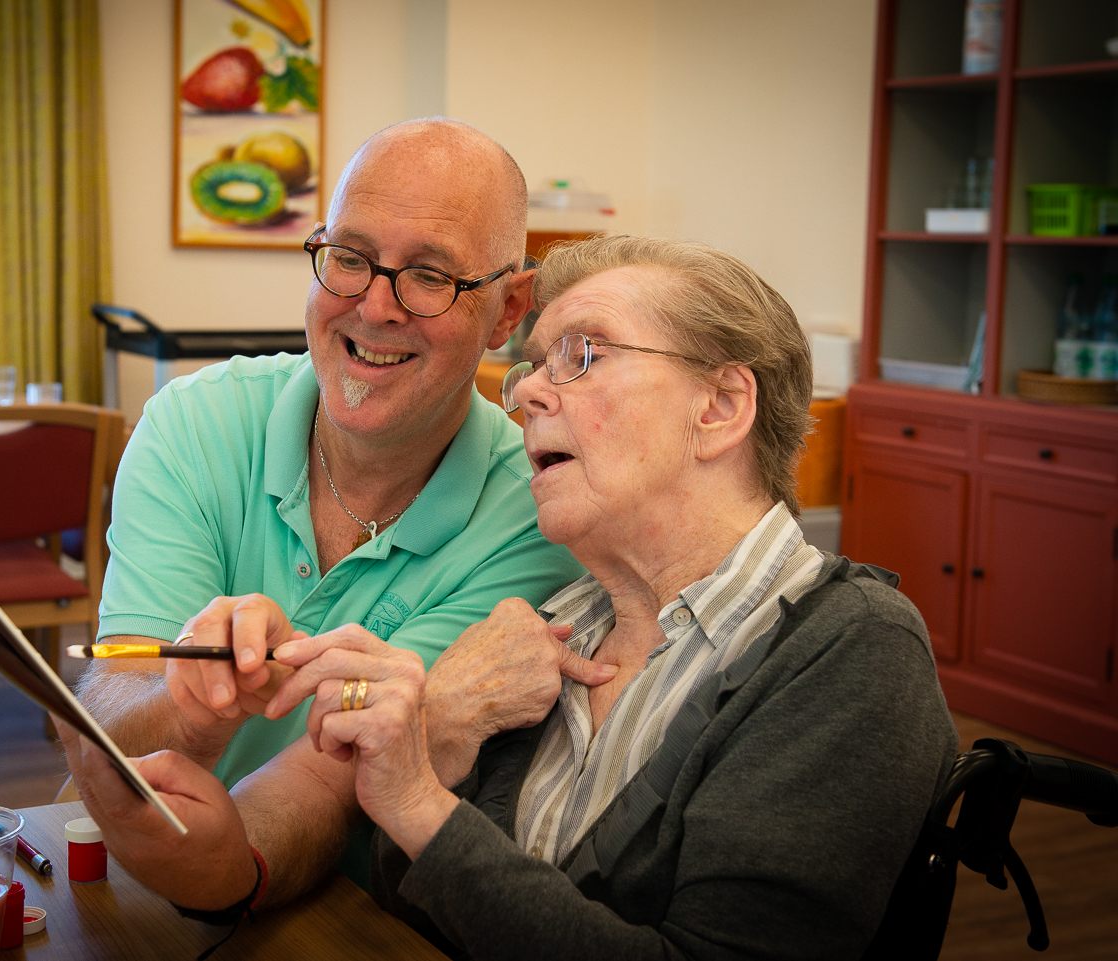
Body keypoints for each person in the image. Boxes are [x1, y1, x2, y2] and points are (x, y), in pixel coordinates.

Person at [262, 234, 960, 959]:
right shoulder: (546, 627)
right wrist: (437, 737)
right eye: (531, 367)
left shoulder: (854, 648)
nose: (527, 392)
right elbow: (418, 910)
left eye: (583, 354)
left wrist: (419, 805)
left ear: (719, 406)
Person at [63, 119, 591, 912]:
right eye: (348, 257)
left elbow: (339, 772)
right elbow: (115, 700)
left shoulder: (531, 514)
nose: (374, 307)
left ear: (508, 311)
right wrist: (195, 701)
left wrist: (230, 865)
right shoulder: (193, 425)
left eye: (428, 275)